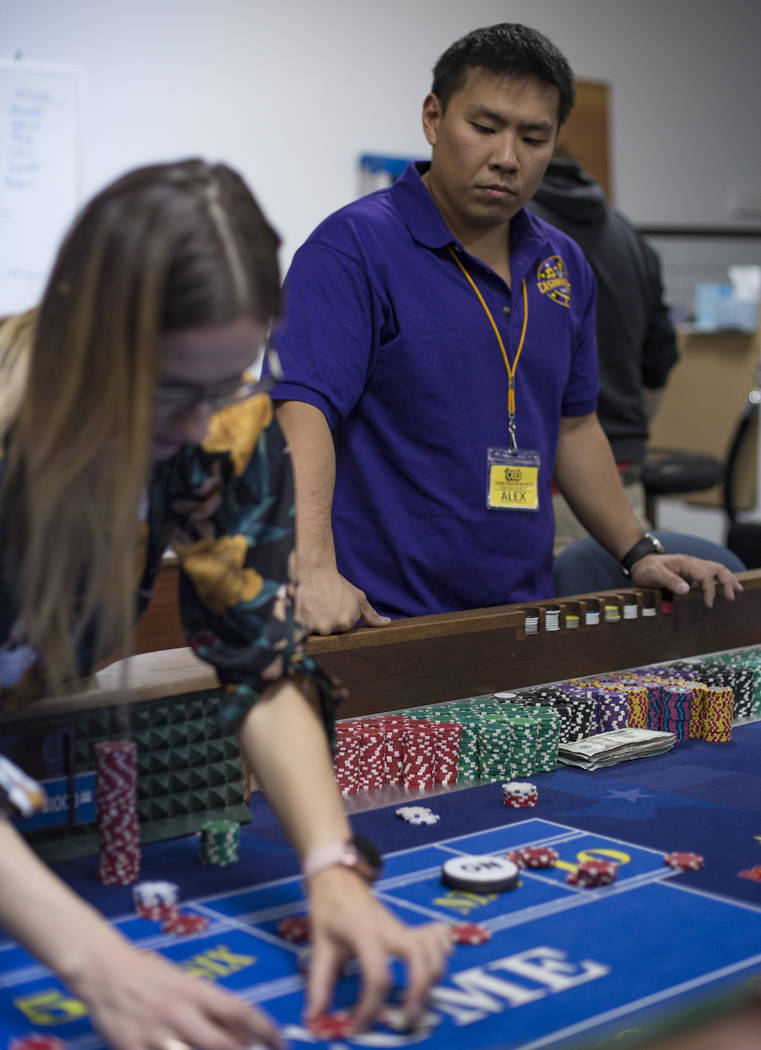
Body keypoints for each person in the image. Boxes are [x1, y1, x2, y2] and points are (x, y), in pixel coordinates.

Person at [0, 161, 450, 1050]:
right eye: (174, 389)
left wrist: (328, 866)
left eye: (230, 380)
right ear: (87, 340)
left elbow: (260, 661)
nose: (202, 422)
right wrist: (99, 965)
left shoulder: (222, 427)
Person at [270, 22, 741, 635]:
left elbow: (575, 427)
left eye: (534, 136)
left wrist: (638, 550)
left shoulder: (563, 264)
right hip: (380, 618)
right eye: (485, 127)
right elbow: (301, 406)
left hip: (522, 614)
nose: (507, 158)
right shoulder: (354, 247)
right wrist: (312, 568)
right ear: (434, 118)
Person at [526, 152, 679, 553]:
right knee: (619, 612)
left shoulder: (511, 232)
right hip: (621, 486)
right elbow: (659, 362)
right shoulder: (628, 235)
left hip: (541, 489)